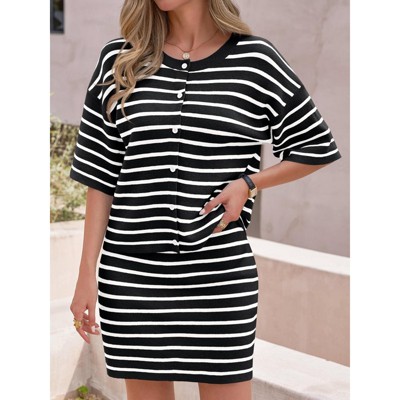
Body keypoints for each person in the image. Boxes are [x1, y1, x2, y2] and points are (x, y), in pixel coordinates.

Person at [69, 0, 342, 399]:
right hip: (132, 278)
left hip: (219, 277)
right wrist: (85, 277)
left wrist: (249, 183)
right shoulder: (120, 60)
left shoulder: (255, 60)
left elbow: (316, 146)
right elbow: (100, 176)